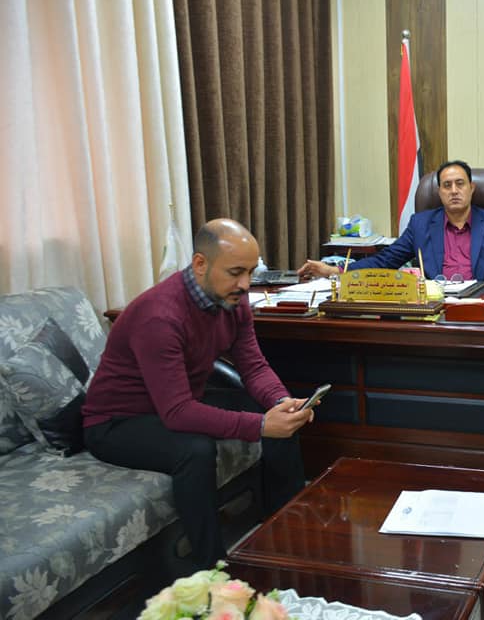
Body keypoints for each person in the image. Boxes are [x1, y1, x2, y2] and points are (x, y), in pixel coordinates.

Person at [82, 218, 314, 568]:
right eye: (235, 272)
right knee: (195, 449)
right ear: (200, 264)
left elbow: (253, 366)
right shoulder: (160, 317)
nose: (245, 284)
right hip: (117, 423)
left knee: (278, 415)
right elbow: (178, 413)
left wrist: (281, 402)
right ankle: (210, 568)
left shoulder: (233, 300)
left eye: (250, 272)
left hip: (174, 403)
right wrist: (260, 426)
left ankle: (287, 532)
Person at [298, 160, 484, 282]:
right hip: (435, 309)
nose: (454, 190)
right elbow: (385, 261)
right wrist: (335, 270)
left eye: (460, 184)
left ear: (472, 188)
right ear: (439, 192)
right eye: (447, 185)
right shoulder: (421, 224)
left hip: (483, 307)